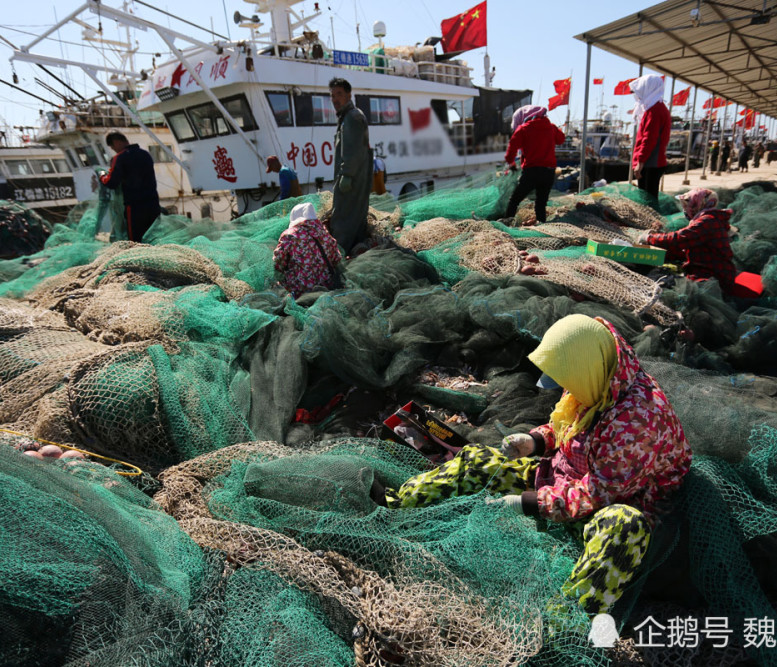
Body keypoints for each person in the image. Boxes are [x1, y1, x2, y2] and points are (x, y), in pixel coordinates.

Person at [381, 314, 692, 614]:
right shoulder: (600, 378)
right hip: (563, 478)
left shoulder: (639, 423)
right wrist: (535, 441)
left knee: (624, 526)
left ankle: (565, 623)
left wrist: (526, 502)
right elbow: (567, 425)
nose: (564, 388)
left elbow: (595, 494)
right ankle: (394, 506)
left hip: (605, 506)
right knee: (475, 461)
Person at [642, 188, 736, 293]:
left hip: (713, 277)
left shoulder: (707, 221)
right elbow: (686, 245)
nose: (685, 209)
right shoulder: (710, 218)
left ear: (698, 205)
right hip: (712, 270)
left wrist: (650, 238)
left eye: (687, 206)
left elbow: (680, 238)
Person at [329, 77, 373, 254]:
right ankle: (356, 249)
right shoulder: (348, 117)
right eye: (332, 95)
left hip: (351, 179)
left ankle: (340, 253)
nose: (335, 99)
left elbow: (353, 150)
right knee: (355, 216)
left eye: (339, 94)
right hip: (355, 176)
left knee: (342, 217)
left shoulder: (352, 117)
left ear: (349, 95)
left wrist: (346, 175)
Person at [503, 105, 565, 223]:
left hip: (532, 171)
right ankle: (541, 224)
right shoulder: (551, 127)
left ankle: (507, 223)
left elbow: (512, 149)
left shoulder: (523, 129)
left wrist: (511, 163)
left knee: (515, 200)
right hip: (549, 172)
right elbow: (561, 139)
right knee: (541, 203)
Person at [273, 201, 343, 298]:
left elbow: (278, 262)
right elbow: (337, 258)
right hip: (327, 286)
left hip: (300, 289)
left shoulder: (289, 235)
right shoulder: (324, 232)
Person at [99, 131, 160, 242]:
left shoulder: (120, 157)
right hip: (153, 203)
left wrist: (102, 175)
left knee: (136, 240)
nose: (114, 150)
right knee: (153, 236)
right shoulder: (145, 154)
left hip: (135, 206)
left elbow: (111, 182)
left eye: (113, 147)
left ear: (116, 142)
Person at [629, 75, 671, 207]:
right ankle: (651, 223)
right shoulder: (655, 108)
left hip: (651, 163)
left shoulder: (655, 111)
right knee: (648, 197)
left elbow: (649, 138)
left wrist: (640, 162)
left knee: (648, 199)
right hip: (652, 162)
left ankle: (652, 224)